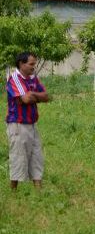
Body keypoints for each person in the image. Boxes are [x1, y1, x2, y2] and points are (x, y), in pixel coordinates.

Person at [5, 52, 49, 190]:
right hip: (18, 124)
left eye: (34, 64)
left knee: (36, 156)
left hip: (32, 124)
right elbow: (25, 99)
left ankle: (39, 191)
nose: (33, 67)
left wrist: (33, 95)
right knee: (18, 157)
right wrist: (36, 96)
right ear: (21, 64)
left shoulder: (33, 78)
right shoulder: (14, 79)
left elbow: (46, 96)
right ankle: (14, 192)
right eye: (31, 64)